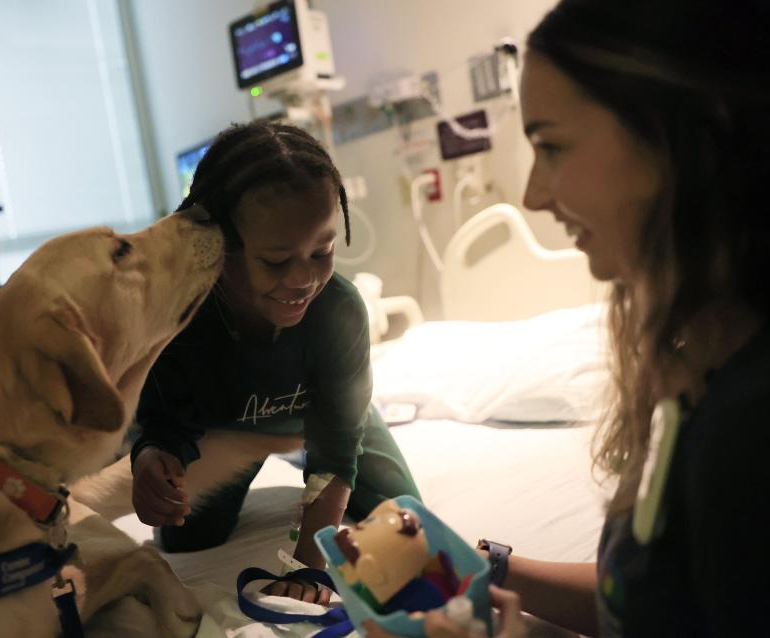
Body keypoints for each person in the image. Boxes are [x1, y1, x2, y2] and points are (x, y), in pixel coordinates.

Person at [366, 0, 770, 636]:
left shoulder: (746, 429)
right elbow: (653, 602)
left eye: (551, 146)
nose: (532, 194)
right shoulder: (698, 365)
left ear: (678, 139)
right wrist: (489, 568)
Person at [129, 120, 421, 602]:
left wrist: (310, 562)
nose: (304, 278)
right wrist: (150, 463)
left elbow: (335, 448)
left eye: (322, 251)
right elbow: (163, 425)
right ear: (218, 246)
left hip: (327, 417)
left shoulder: (338, 312)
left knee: (404, 518)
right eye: (276, 261)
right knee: (186, 538)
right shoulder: (179, 317)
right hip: (226, 433)